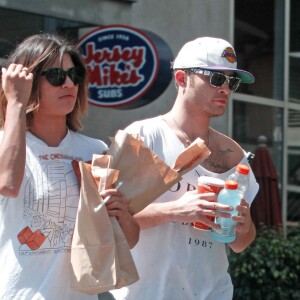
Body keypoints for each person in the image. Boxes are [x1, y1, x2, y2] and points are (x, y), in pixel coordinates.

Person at [109, 37, 259, 300]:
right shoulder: (144, 136)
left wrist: (243, 226)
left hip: (214, 293)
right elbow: (109, 222)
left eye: (231, 81)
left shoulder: (233, 154)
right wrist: (175, 210)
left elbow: (240, 243)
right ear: (181, 79)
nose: (225, 88)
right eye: (215, 79)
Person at [0, 33, 139, 300]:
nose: (68, 84)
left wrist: (121, 213)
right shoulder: (5, 145)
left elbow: (128, 240)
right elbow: (7, 184)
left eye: (74, 75)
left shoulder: (94, 150)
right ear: (29, 83)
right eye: (55, 76)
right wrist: (16, 103)